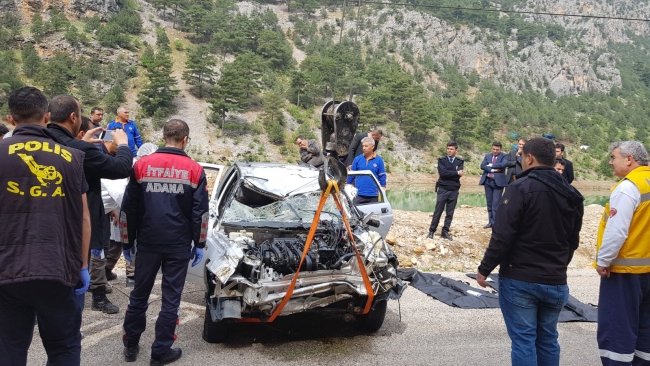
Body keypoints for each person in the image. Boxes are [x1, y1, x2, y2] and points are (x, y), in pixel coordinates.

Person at [0, 86, 90, 365]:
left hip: (6, 270)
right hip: (58, 267)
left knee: (8, 349)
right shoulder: (72, 158)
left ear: (11, 119)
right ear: (47, 116)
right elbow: (84, 217)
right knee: (63, 348)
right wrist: (83, 266)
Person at [476, 137, 584, 366]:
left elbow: (502, 236)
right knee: (547, 339)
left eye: (523, 156)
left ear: (530, 158)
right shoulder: (571, 193)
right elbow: (573, 240)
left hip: (521, 279)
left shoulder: (520, 188)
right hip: (555, 280)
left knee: (524, 340)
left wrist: (484, 269)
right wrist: (559, 266)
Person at [121, 120, 209, 364]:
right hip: (178, 244)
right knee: (171, 299)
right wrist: (199, 243)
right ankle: (160, 352)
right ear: (185, 140)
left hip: (147, 242)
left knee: (139, 295)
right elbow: (200, 213)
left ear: (165, 136)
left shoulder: (141, 167)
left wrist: (128, 242)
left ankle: (131, 346)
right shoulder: (194, 170)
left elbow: (129, 209)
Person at [48, 95, 133, 315]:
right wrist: (124, 144)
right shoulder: (81, 150)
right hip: (79, 221)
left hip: (45, 222)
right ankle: (82, 306)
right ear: (74, 117)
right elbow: (121, 168)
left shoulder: (41, 143)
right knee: (83, 264)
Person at [594, 141, 650, 366]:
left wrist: (603, 260)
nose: (610, 161)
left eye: (614, 156)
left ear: (629, 159)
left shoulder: (628, 187)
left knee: (617, 329)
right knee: (645, 329)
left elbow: (617, 230)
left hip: (625, 272)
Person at [104, 143, 159, 288]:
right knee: (111, 245)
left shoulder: (147, 168)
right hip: (114, 208)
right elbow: (123, 196)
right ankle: (101, 276)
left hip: (119, 209)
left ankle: (128, 275)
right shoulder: (131, 167)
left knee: (124, 243)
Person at [427, 141, 464, 241]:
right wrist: (456, 172)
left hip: (454, 190)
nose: (449, 151)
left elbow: (458, 174)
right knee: (438, 211)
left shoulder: (460, 161)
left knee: (450, 213)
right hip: (443, 189)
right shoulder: (442, 160)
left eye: (451, 149)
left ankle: (445, 231)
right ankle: (431, 231)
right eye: (448, 149)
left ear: (456, 150)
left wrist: (451, 174)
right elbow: (443, 173)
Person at [346, 136, 387, 205]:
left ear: (372, 147)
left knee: (374, 215)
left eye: (366, 146)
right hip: (358, 194)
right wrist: (347, 184)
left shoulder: (379, 160)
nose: (364, 148)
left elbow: (382, 175)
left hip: (373, 195)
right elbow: (351, 175)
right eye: (363, 146)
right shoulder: (357, 159)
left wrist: (383, 188)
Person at [479, 141, 509, 228]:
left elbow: (503, 164)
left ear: (500, 149)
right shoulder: (488, 156)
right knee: (489, 203)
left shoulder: (504, 156)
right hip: (488, 181)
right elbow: (482, 166)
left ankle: (496, 223)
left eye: (497, 149)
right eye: (493, 149)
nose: (495, 151)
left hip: (498, 183)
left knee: (495, 203)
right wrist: (492, 170)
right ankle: (490, 222)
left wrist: (491, 165)